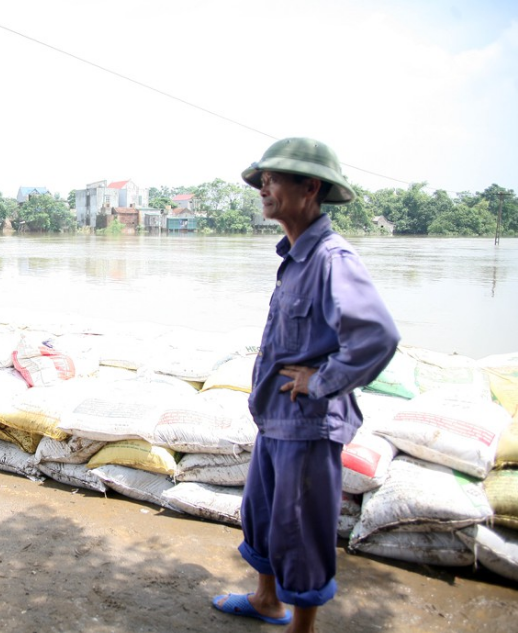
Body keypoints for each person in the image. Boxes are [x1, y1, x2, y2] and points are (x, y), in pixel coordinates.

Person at [213, 138, 400, 632]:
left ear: (310, 187)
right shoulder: (296, 255)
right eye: (263, 180)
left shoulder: (332, 260)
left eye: (274, 179)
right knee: (263, 514)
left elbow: (376, 335)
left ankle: (302, 627)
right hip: (275, 419)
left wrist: (322, 381)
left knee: (300, 529)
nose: (263, 189)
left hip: (309, 425)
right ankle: (267, 600)